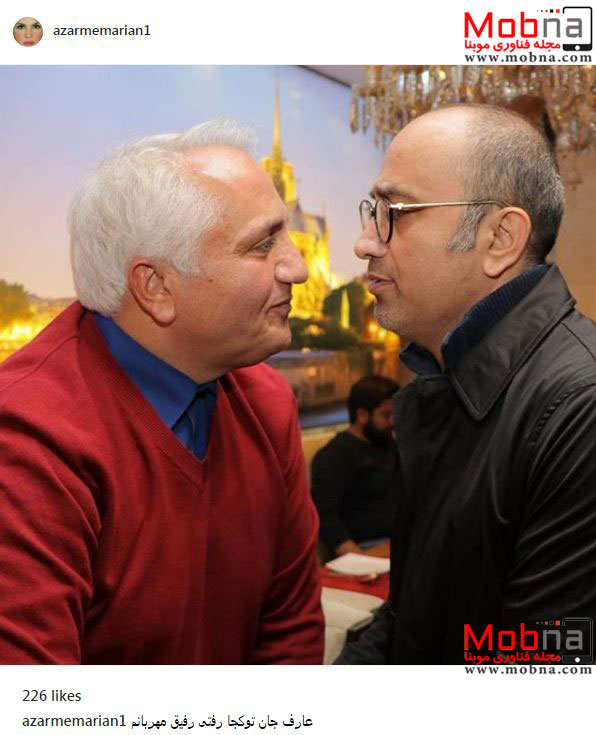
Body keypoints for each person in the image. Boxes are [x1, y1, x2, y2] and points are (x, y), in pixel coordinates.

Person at [0, 119, 324, 664]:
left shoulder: (266, 404)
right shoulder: (27, 443)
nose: (297, 266)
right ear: (155, 287)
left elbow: (289, 635)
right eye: (262, 245)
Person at [337, 103, 596, 664]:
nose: (365, 242)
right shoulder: (441, 380)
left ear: (500, 237)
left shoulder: (580, 408)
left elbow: (537, 670)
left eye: (395, 212)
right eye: (372, 211)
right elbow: (410, 619)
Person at [311, 375, 399, 558]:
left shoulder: (390, 446)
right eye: (386, 414)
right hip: (365, 547)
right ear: (362, 415)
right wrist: (357, 558)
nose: (392, 422)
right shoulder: (335, 455)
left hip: (399, 541)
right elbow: (325, 516)